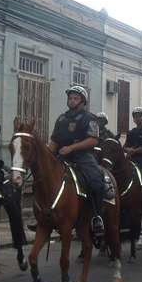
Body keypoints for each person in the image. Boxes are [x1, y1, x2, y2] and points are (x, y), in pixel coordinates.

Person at [49, 85, 109, 239]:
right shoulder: (62, 118)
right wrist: (48, 153)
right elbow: (54, 140)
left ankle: (97, 217)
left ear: (82, 101)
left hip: (82, 157)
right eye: (70, 97)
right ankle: (45, 216)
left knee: (96, 181)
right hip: (61, 156)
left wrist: (71, 148)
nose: (71, 100)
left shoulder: (89, 118)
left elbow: (93, 140)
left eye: (75, 98)